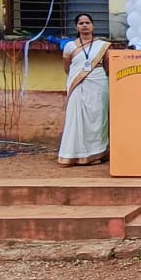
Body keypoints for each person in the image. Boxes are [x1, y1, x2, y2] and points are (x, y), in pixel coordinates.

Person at [57, 13, 110, 166]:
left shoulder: (103, 45)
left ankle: (97, 154)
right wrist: (79, 76)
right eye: (81, 23)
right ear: (76, 27)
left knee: (98, 117)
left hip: (98, 84)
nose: (85, 25)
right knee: (76, 118)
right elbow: (67, 68)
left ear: (93, 26)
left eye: (87, 23)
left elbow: (108, 67)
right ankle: (73, 154)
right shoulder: (70, 46)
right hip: (77, 84)